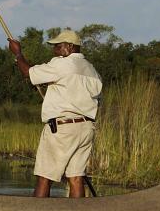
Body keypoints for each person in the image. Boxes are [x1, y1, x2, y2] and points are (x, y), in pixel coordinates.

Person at [8, 30, 102, 199]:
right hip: (86, 128)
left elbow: (28, 73)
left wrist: (18, 54)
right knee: (75, 177)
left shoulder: (62, 64)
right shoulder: (91, 69)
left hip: (62, 129)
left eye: (58, 46)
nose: (55, 50)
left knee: (45, 176)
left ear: (70, 47)